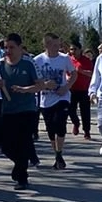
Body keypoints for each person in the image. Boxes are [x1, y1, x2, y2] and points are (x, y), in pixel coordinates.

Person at [0, 33, 40, 188]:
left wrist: (25, 89)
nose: (8, 51)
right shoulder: (0, 65)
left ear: (20, 48)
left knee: (24, 142)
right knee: (6, 145)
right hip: (8, 110)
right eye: (6, 47)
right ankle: (20, 163)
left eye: (12, 47)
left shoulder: (28, 63)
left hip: (27, 109)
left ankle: (22, 176)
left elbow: (40, 85)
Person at [34, 31, 75, 171]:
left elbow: (73, 74)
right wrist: (44, 84)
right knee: (51, 129)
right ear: (46, 44)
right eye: (54, 45)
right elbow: (35, 80)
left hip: (62, 97)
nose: (57, 47)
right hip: (46, 99)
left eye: (59, 45)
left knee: (60, 123)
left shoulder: (65, 59)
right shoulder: (38, 60)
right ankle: (57, 155)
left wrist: (66, 87)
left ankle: (59, 154)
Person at [68, 36, 94, 138]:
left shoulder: (86, 60)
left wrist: (81, 71)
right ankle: (76, 123)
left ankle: (86, 131)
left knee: (85, 112)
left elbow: (92, 74)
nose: (73, 51)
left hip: (84, 90)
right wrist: (68, 77)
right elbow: (65, 73)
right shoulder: (69, 60)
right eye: (71, 49)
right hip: (72, 89)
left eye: (75, 49)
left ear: (80, 50)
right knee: (70, 110)